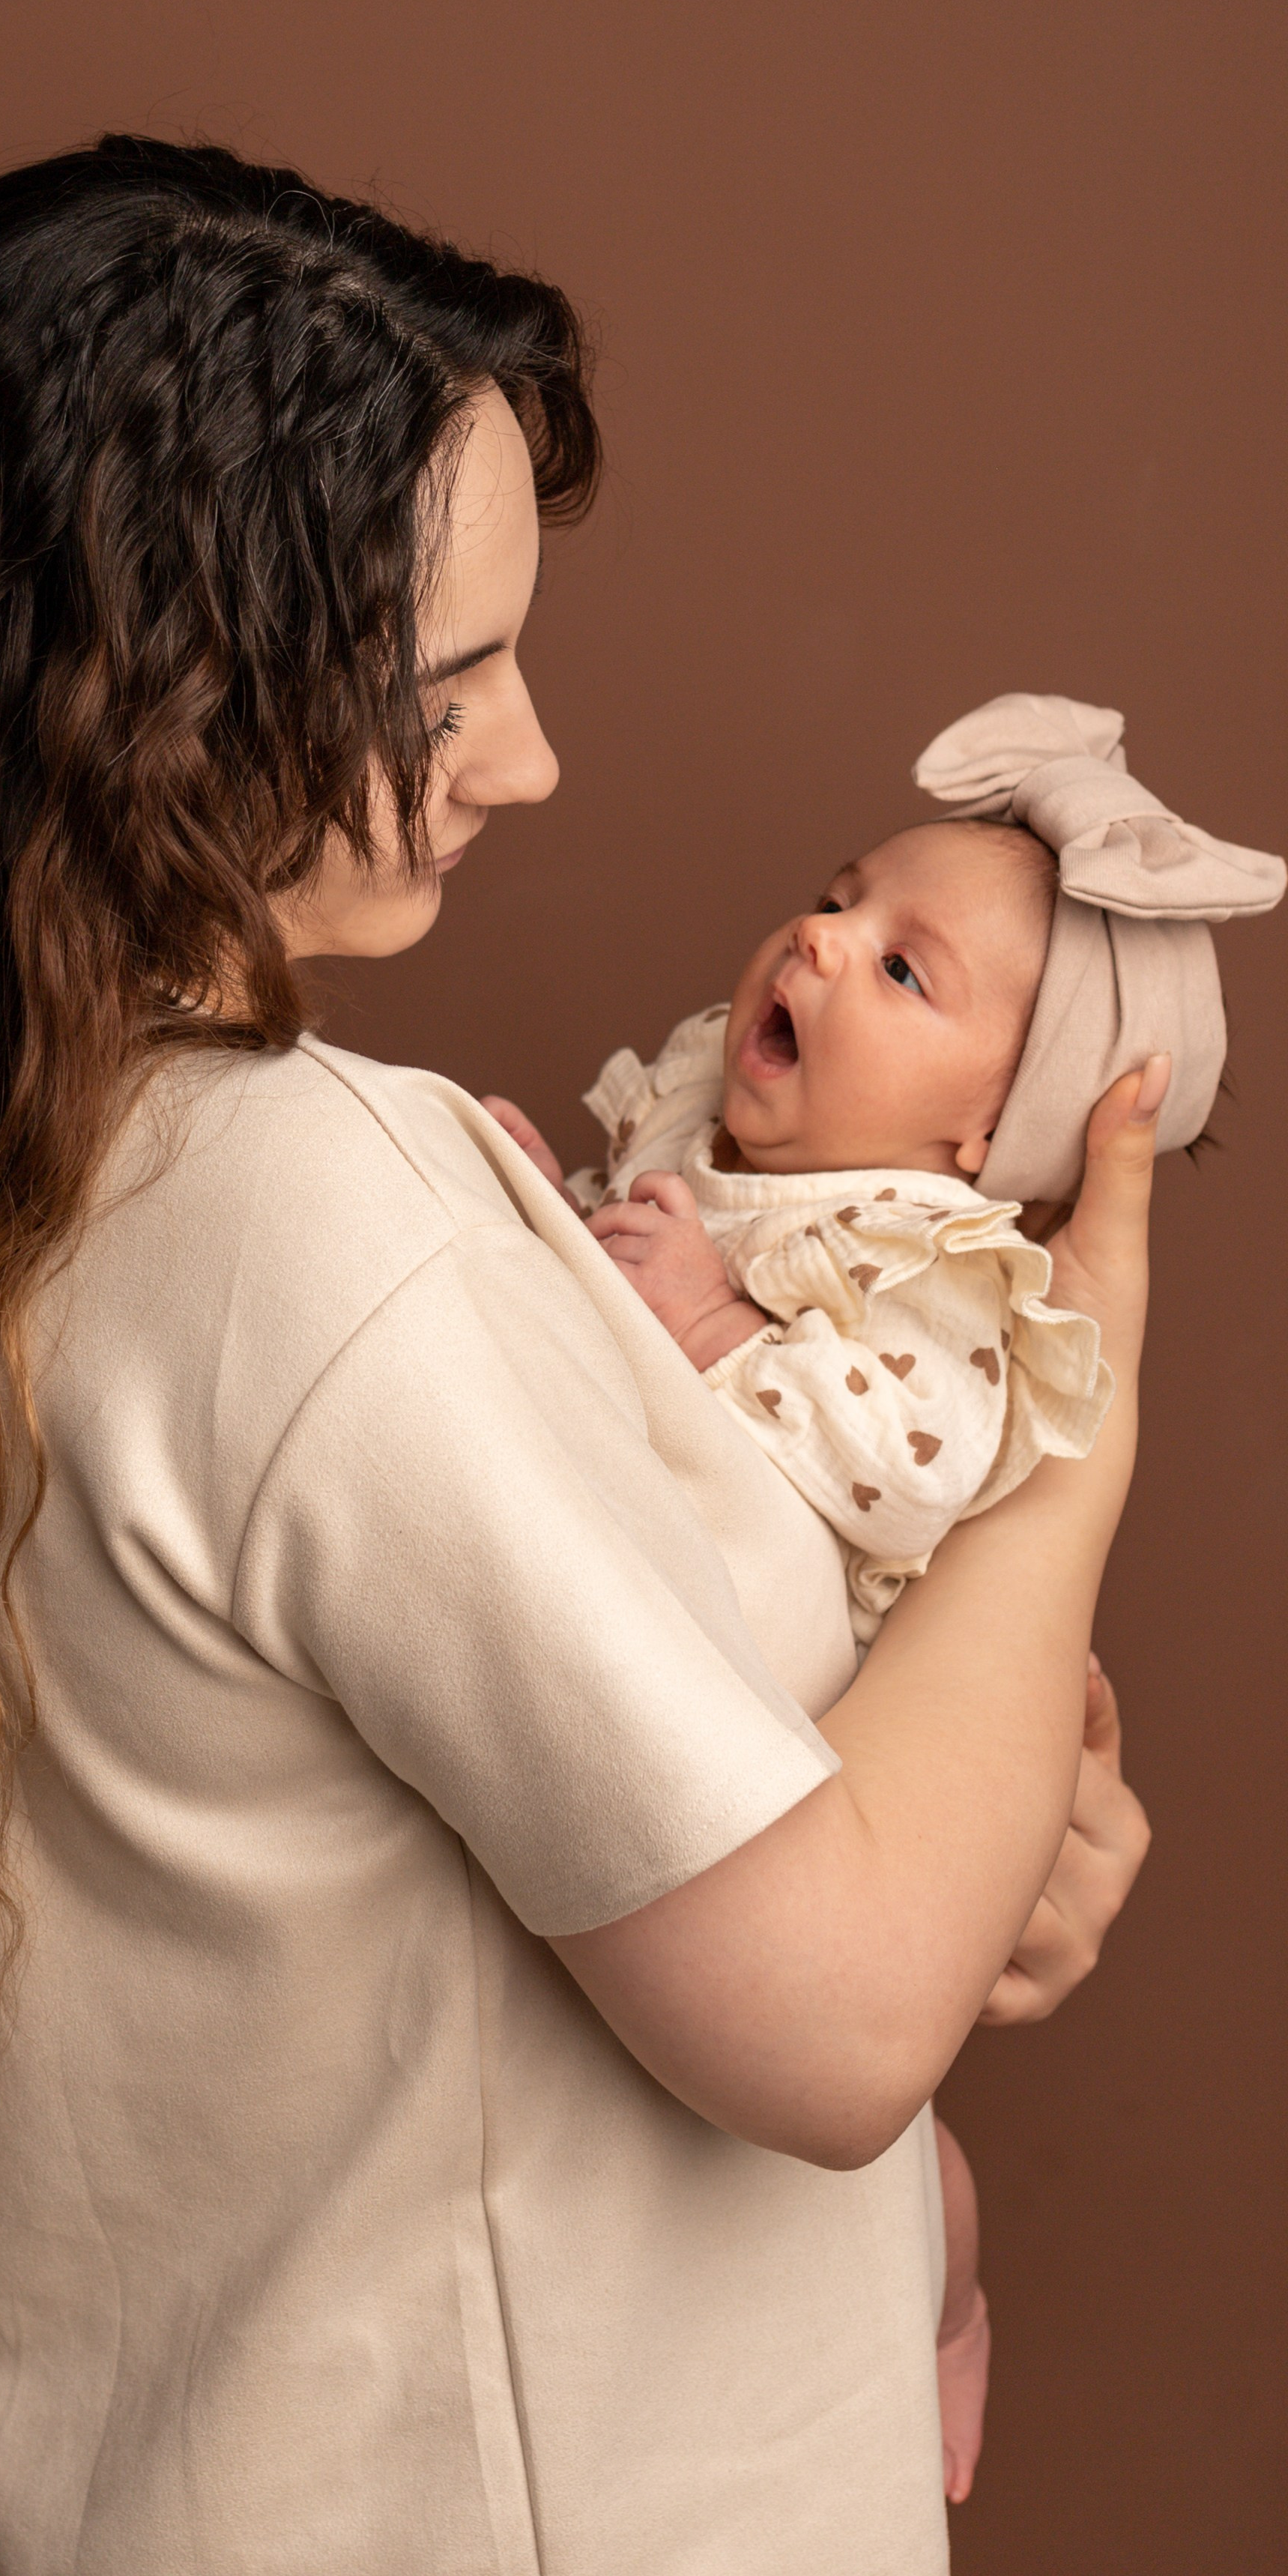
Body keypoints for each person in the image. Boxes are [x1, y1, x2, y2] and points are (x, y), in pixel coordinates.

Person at [0, 137, 1151, 2576]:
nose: (528, 758)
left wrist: (973, 1844)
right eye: (454, 682)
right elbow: (835, 2021)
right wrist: (1074, 1418)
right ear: (168, 708)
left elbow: (643, 1867)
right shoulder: (311, 1215)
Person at [484, 698, 1281, 2502]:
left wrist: (704, 1319)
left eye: (904, 972)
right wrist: (560, 1220)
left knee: (915, 2174)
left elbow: (894, 1458)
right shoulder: (735, 1143)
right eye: (843, 901)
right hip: (707, 1808)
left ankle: (944, 2321)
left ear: (980, 1149)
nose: (824, 939)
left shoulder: (939, 1286)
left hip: (855, 1754)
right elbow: (613, 1328)